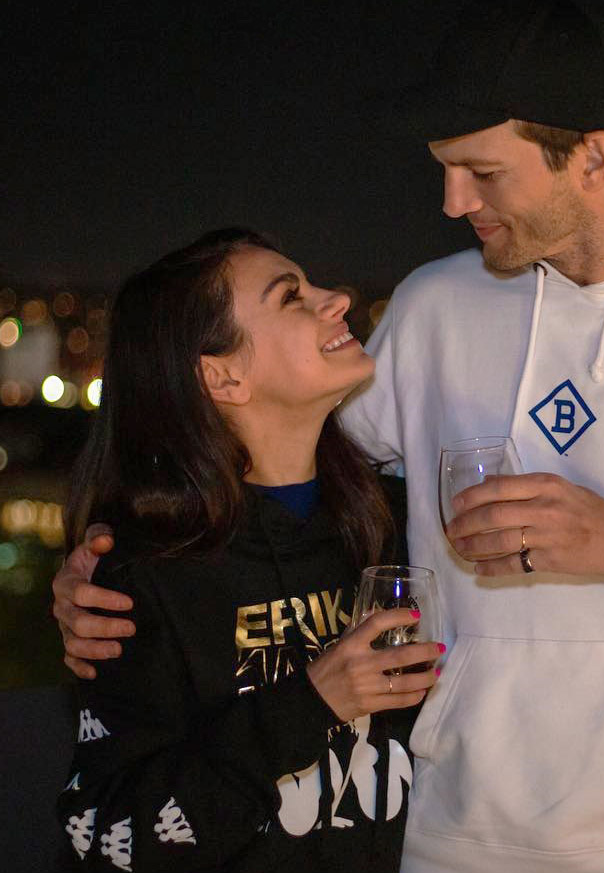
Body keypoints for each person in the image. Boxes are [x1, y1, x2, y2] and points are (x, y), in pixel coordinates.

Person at [52, 2, 604, 871]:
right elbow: (272, 471)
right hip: (454, 844)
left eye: (482, 172)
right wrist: (104, 569)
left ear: (594, 158)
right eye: (445, 169)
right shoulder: (435, 305)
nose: (453, 201)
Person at [55, 228, 443, 872]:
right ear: (222, 375)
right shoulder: (144, 574)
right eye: (291, 296)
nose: (337, 299)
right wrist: (311, 703)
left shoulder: (390, 524)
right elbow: (105, 832)